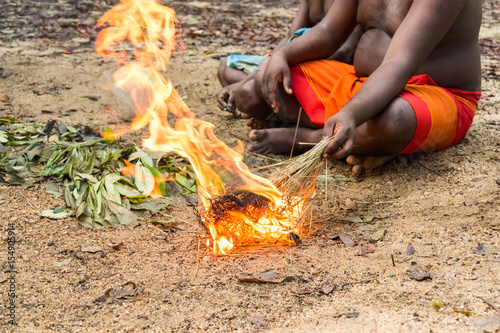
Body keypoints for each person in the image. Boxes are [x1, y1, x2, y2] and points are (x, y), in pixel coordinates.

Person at [243, 0, 482, 175]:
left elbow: (400, 63)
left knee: (394, 119)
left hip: (434, 97)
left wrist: (351, 113)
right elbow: (329, 33)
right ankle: (372, 143)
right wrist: (283, 55)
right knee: (268, 72)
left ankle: (312, 138)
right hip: (363, 86)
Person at [216, 0, 361, 129]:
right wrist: (274, 61)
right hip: (294, 57)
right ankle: (274, 108)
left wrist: (254, 77)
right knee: (226, 67)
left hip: (319, 66)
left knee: (247, 94)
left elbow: (343, 52)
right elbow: (289, 37)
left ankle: (279, 119)